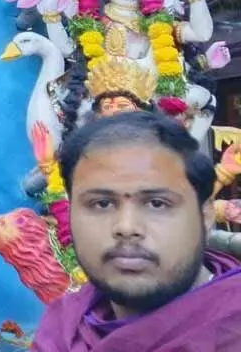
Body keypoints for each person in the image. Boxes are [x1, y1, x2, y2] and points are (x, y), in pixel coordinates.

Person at [31, 112, 241, 351]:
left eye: (157, 203)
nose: (127, 227)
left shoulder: (232, 327)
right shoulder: (64, 329)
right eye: (101, 203)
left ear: (205, 216)